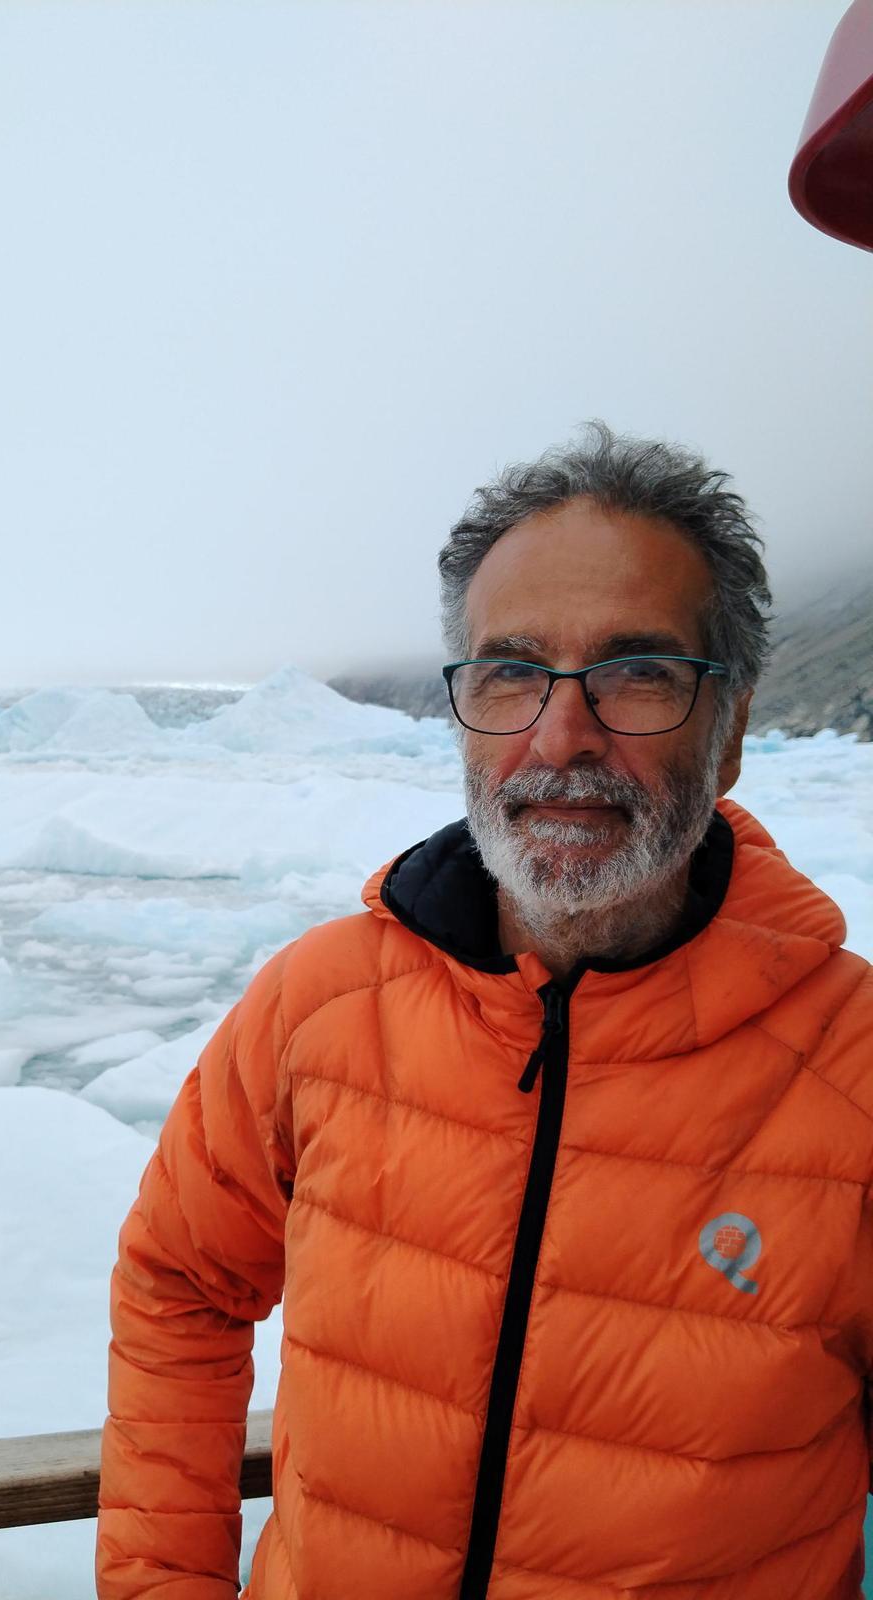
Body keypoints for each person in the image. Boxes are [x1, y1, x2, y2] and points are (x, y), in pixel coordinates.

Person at [96, 423, 873, 1600]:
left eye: (638, 671)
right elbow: (180, 1282)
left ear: (731, 732)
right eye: (511, 670)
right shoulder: (320, 1007)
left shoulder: (853, 1075)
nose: (562, 738)